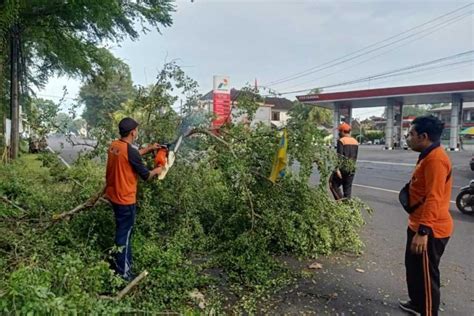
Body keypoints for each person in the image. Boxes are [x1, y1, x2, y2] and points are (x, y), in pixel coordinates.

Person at [399, 115, 453, 316]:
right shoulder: (427, 155)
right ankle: (416, 303)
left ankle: (428, 312)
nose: (408, 137)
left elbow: (434, 198)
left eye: (411, 134)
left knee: (427, 277)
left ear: (423, 136)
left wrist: (423, 231)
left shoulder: (436, 160)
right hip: (417, 224)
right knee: (413, 270)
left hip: (430, 230)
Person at [105, 117, 163, 281]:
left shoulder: (114, 145)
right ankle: (122, 274)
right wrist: (158, 170)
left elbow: (129, 156)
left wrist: (148, 149)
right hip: (125, 200)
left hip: (113, 195)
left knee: (121, 231)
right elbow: (146, 175)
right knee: (125, 234)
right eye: (136, 130)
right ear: (132, 132)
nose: (137, 132)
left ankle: (120, 264)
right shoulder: (129, 151)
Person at [329, 122, 359, 200]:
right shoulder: (355, 141)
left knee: (332, 184)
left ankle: (340, 203)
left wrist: (337, 169)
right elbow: (355, 157)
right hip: (352, 168)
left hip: (342, 169)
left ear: (342, 131)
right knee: (347, 191)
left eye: (339, 131)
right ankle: (347, 207)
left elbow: (339, 156)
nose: (339, 133)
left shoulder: (341, 141)